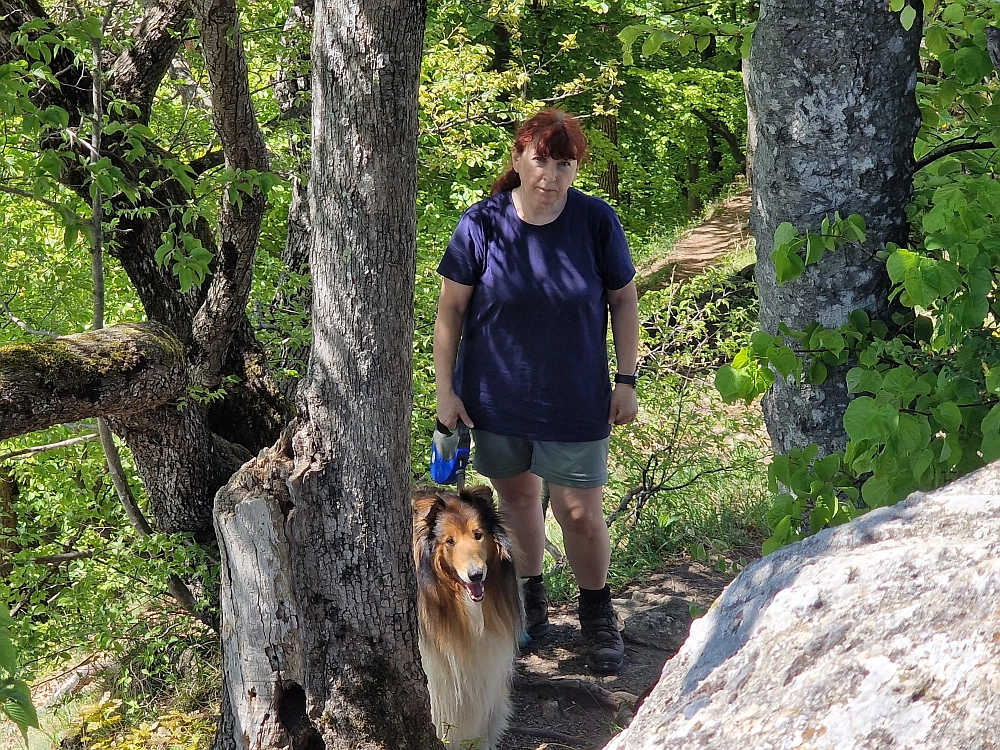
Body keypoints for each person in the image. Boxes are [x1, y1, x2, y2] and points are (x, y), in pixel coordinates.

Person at [433, 108, 639, 674]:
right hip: (495, 401)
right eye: (541, 159)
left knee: (579, 513)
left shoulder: (596, 222)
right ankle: (531, 605)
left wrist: (627, 378)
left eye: (564, 162)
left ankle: (597, 613)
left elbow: (623, 300)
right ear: (520, 156)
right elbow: (451, 310)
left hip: (576, 399)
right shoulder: (482, 224)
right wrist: (444, 391)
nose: (550, 174)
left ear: (577, 167)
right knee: (519, 502)